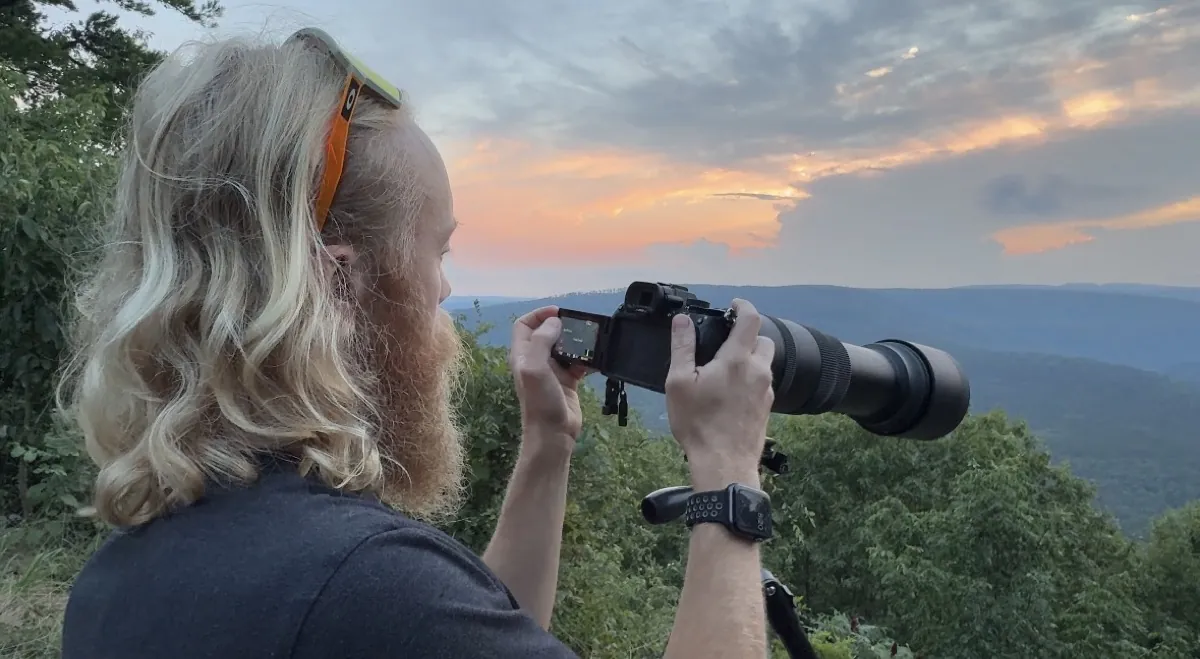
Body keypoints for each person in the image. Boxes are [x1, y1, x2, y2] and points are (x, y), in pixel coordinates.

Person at [58, 28, 777, 659]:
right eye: (438, 252)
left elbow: (480, 629)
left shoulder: (123, 574)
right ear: (340, 286)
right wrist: (726, 471)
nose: (442, 291)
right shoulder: (364, 584)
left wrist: (547, 443)